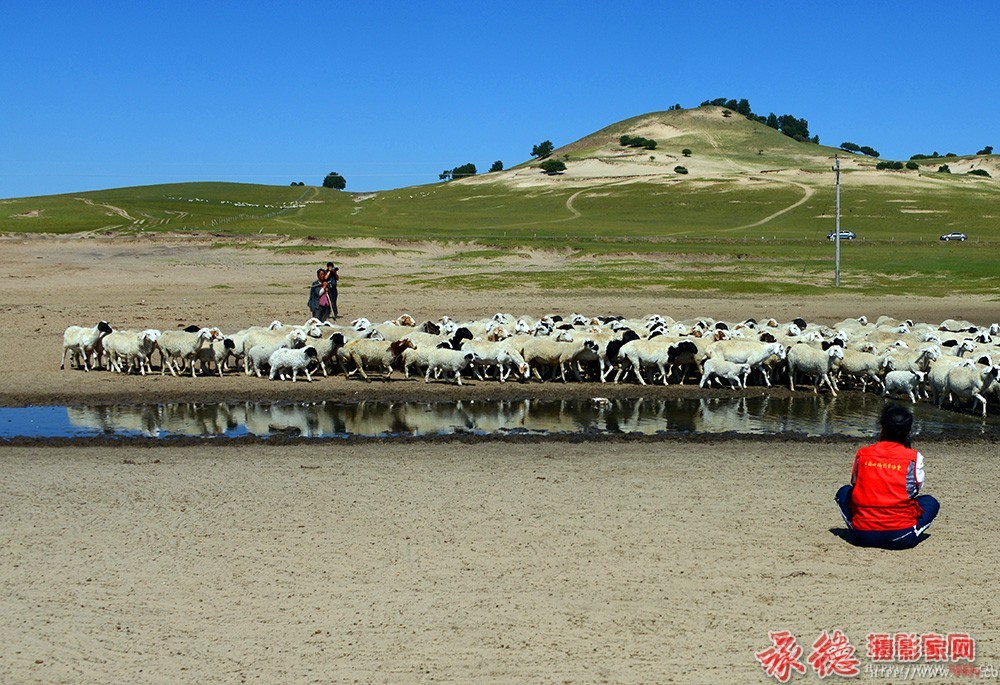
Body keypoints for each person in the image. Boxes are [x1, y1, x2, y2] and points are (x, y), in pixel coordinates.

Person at [835, 403, 940, 549]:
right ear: (908, 430)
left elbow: (855, 483)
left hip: (862, 535)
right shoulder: (914, 457)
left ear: (882, 427)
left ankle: (858, 525)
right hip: (900, 536)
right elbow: (914, 490)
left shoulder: (863, 453)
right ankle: (909, 531)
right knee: (930, 502)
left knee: (844, 492)